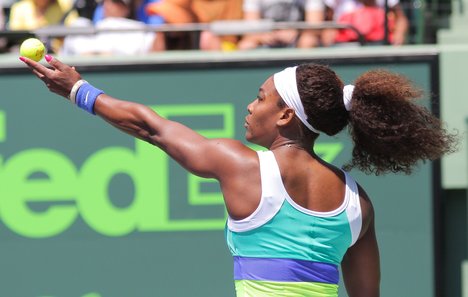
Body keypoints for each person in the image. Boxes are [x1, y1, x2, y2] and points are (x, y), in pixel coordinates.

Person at [19, 54, 457, 297]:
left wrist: (78, 90)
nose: (251, 105)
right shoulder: (358, 204)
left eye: (260, 96)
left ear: (286, 114)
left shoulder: (242, 166)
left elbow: (151, 127)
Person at [60, 0, 165, 55]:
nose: (109, 5)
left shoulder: (139, 30)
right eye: (106, 1)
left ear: (127, 8)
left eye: (116, 2)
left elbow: (157, 52)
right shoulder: (80, 25)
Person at [237, 0, 325, 50]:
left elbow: (315, 27)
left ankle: (303, 78)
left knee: (308, 41)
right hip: (265, 40)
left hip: (297, 40)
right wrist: (262, 37)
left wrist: (296, 33)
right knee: (246, 45)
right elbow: (250, 30)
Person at [322, 0, 409, 46]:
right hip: (345, 45)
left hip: (379, 44)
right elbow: (328, 24)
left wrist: (398, 36)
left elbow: (401, 19)